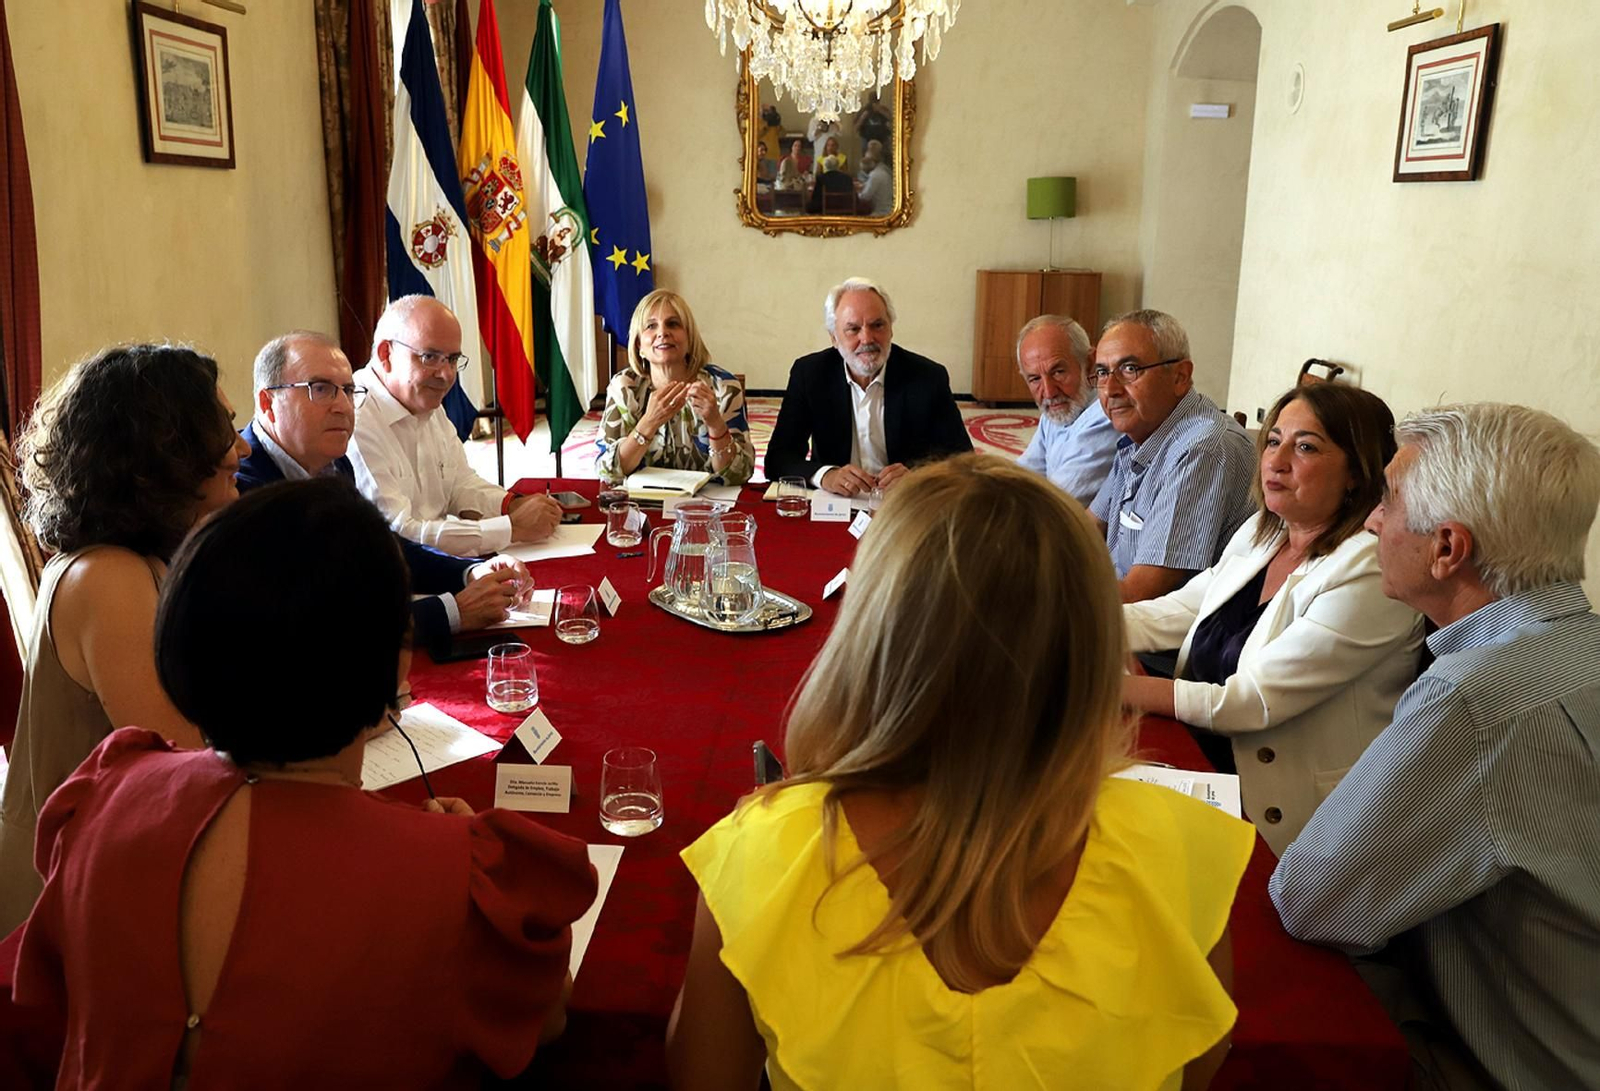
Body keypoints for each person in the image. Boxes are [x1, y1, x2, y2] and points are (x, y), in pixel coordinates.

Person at [667, 455, 1254, 1090]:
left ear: (871, 635)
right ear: (1089, 645)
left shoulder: (765, 849)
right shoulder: (1182, 846)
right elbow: (1196, 1062)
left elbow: (703, 1074)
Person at [11, 479, 597, 1087]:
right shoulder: (446, 873)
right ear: (396, 661)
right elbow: (548, 1016)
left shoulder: (106, 788)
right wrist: (449, 847)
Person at [1270, 403, 1600, 1091]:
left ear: (1449, 548)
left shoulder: (1475, 697)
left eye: (1387, 499)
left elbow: (1310, 901)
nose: (1371, 520)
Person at [0, 344, 248, 932]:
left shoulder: (146, 558)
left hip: (117, 856)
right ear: (166, 448)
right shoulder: (106, 577)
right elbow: (187, 762)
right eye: (224, 428)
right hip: (62, 897)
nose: (239, 449)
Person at [1121, 384, 1423, 855]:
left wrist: (1107, 683)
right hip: (1205, 761)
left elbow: (1252, 702)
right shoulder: (1267, 530)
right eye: (1275, 440)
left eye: (1305, 447)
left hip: (1286, 813)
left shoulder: (1369, 566)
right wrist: (1079, 624)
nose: (1276, 461)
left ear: (1355, 471)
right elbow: (1182, 610)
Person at [239, 331, 528, 647]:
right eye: (320, 389)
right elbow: (313, 625)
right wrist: (451, 612)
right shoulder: (242, 488)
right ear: (268, 403)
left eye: (348, 391)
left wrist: (470, 572)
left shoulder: (332, 465)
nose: (343, 407)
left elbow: (380, 549)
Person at [348, 295, 561, 557]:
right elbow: (399, 532)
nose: (446, 375)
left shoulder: (425, 401)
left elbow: (459, 484)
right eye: (430, 357)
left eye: (451, 359)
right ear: (386, 353)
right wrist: (511, 528)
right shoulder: (354, 420)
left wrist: (511, 506)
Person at [1088, 309, 1255, 603]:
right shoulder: (1139, 435)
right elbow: (1085, 529)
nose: (1110, 389)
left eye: (1129, 369)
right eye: (1103, 372)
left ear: (1180, 376)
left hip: (1162, 635)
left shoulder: (1200, 451)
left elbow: (1142, 595)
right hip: (1127, 610)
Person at [765, 277, 972, 496]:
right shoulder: (810, 374)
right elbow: (778, 459)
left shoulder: (927, 377)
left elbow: (964, 461)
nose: (867, 339)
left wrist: (916, 477)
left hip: (903, 504)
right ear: (834, 338)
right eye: (853, 329)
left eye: (877, 325)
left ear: (890, 329)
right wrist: (826, 475)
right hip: (834, 502)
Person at [594, 291, 755, 486]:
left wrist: (714, 423)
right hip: (642, 505)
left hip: (707, 506)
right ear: (639, 345)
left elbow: (741, 474)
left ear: (689, 338)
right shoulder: (625, 387)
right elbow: (607, 472)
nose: (662, 332)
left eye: (673, 324)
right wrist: (648, 423)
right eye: (651, 326)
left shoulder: (723, 387)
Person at [1013, 315, 1119, 506]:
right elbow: (1024, 474)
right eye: (1035, 379)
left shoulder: (1106, 415)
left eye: (1058, 372)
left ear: (1090, 363)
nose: (1049, 391)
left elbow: (1054, 505)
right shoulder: (1059, 409)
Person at [854, 153, 893, 217]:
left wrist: (858, 192)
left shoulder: (874, 175)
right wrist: (863, 185)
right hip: (888, 207)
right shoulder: (883, 170)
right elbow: (872, 184)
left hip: (882, 212)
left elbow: (865, 197)